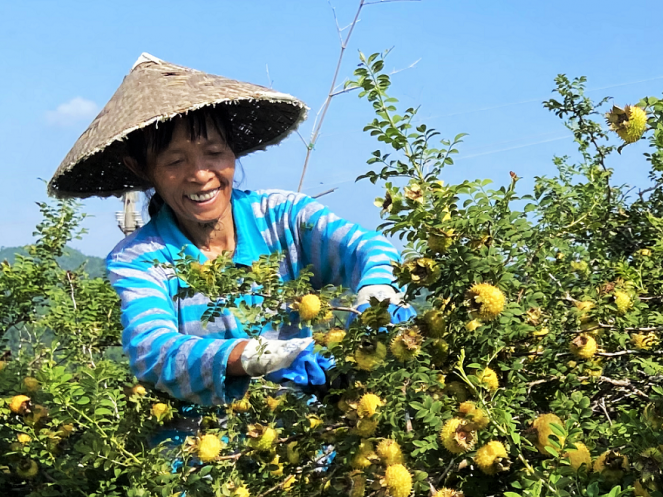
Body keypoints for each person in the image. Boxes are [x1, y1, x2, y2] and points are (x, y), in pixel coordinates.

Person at [49, 53, 409, 408]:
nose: (201, 175)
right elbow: (153, 350)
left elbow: (366, 248)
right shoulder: (140, 258)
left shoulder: (283, 218)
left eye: (214, 153)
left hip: (307, 442)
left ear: (233, 150)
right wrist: (257, 356)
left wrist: (379, 289)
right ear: (142, 168)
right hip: (201, 456)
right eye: (175, 161)